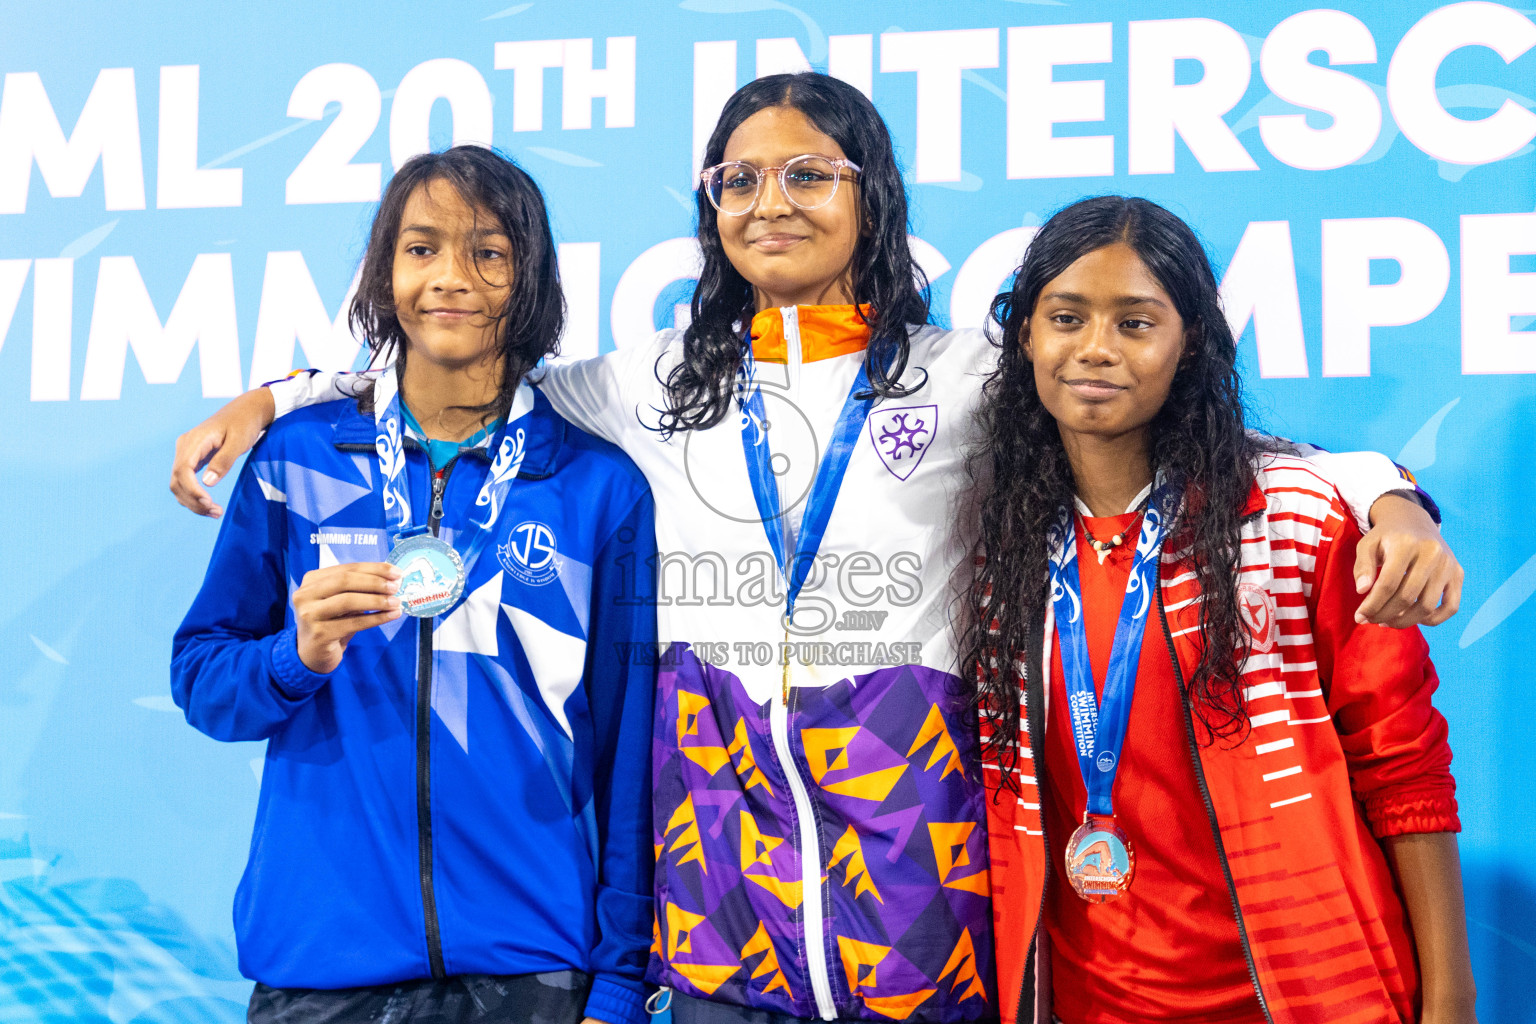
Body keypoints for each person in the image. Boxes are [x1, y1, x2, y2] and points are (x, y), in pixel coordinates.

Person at [167, 75, 1461, 1023]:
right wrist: (285, 395)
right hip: (724, 925)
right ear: (710, 209)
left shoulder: (969, 375)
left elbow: (1156, 411)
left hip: (926, 912)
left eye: (808, 174)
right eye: (739, 178)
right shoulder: (641, 384)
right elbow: (459, 368)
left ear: (871, 196)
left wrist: (1388, 488)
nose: (769, 200)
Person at [170, 146, 656, 1024]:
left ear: (532, 279)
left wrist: (621, 975)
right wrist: (294, 657)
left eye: (490, 253)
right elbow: (203, 681)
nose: (452, 279)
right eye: (422, 248)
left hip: (530, 966)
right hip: (320, 960)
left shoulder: (597, 487)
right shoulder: (297, 459)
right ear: (384, 273)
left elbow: (630, 755)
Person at [967, 196, 1474, 1024]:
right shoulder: (995, 540)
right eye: (1066, 317)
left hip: (1306, 991)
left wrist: (1452, 998)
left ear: (1189, 342)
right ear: (1025, 333)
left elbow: (1405, 770)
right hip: (1085, 997)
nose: (1095, 349)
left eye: (1136, 324)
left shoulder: (1295, 516)